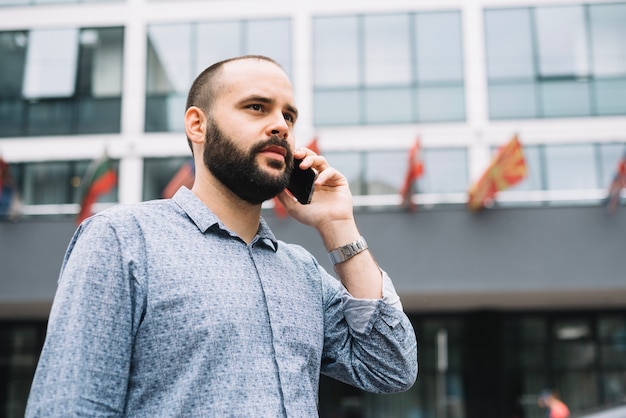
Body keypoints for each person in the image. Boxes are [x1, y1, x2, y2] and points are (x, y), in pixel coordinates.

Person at [25, 55, 418, 417]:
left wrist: (337, 226)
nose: (281, 125)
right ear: (199, 125)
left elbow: (389, 366)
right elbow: (71, 405)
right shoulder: (121, 241)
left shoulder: (303, 272)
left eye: (289, 116)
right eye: (256, 107)